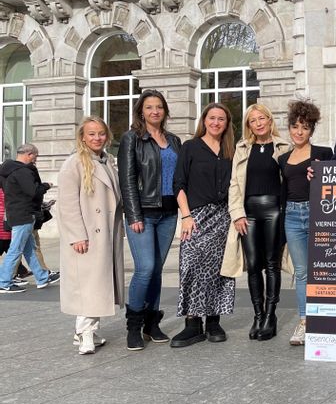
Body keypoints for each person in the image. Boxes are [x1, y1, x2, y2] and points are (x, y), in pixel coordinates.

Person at [117, 89, 182, 351]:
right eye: (149, 107)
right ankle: (134, 326)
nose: (154, 111)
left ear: (165, 111)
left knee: (157, 270)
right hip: (143, 213)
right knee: (144, 268)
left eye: (159, 107)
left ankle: (151, 323)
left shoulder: (175, 140)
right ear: (141, 111)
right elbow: (127, 179)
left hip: (169, 213)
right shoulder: (132, 139)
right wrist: (133, 214)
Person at [221, 104, 291, 342]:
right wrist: (237, 213)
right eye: (253, 120)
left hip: (274, 210)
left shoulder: (284, 147)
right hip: (247, 212)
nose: (259, 123)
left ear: (270, 120)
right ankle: (258, 315)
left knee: (272, 263)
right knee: (253, 265)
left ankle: (271, 316)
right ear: (248, 125)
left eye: (262, 118)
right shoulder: (242, 148)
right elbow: (234, 184)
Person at [57, 117, 125, 355]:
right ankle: (85, 334)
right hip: (87, 236)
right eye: (92, 134)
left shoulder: (107, 161)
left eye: (101, 134)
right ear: (82, 137)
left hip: (105, 234)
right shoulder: (74, 163)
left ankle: (86, 331)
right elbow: (66, 204)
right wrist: (77, 235)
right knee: (90, 287)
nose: (97, 138)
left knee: (95, 285)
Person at [171, 103, 235, 347]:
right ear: (204, 120)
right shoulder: (191, 147)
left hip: (223, 216)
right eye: (212, 118)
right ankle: (192, 323)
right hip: (196, 216)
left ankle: (214, 320)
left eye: (221, 119)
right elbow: (178, 184)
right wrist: (186, 216)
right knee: (191, 266)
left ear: (227, 124)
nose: (216, 123)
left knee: (219, 269)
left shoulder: (231, 149)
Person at [279, 100, 333, 346]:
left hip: (316, 213)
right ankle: (304, 322)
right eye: (295, 126)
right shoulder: (282, 158)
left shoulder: (323, 153)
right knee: (301, 272)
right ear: (289, 127)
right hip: (291, 215)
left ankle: (328, 319)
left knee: (323, 268)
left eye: (305, 127)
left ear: (312, 130)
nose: (299, 131)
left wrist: (322, 173)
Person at [0, 144, 59, 293]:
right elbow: (33, 192)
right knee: (16, 249)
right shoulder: (23, 171)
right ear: (29, 154)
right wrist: (46, 185)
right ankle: (4, 282)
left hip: (14, 213)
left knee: (29, 249)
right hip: (23, 214)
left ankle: (42, 277)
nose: (36, 160)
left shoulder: (7, 170)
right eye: (35, 156)